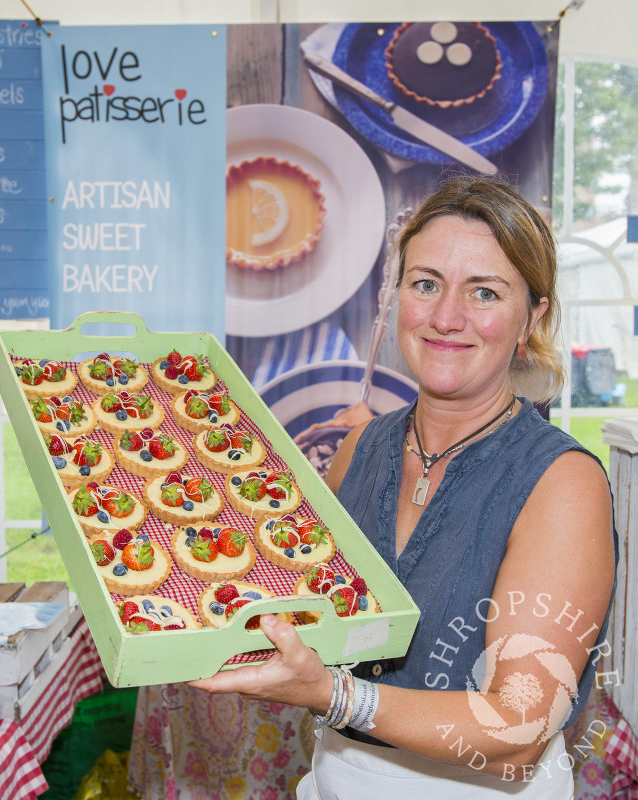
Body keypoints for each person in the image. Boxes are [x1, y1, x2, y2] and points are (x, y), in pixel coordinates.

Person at [190, 176, 618, 799]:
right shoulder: (363, 449)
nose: (447, 317)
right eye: (426, 284)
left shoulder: (562, 482)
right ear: (398, 299)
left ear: (533, 317)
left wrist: (334, 694)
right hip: (337, 779)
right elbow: (299, 608)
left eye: (485, 292)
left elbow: (519, 730)